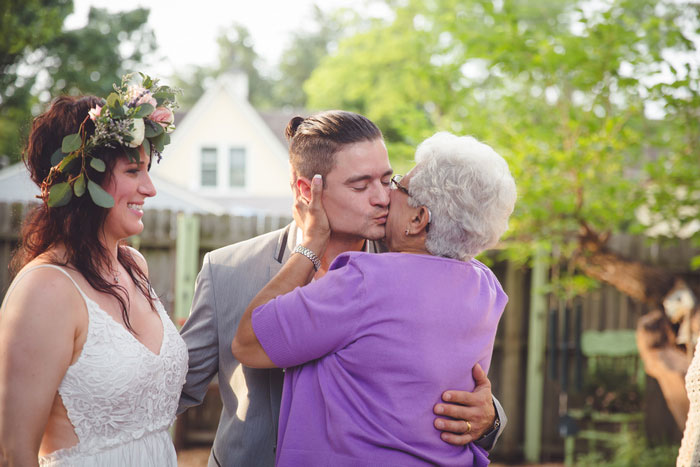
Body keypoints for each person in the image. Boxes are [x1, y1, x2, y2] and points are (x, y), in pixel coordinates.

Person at [178, 112, 507, 466]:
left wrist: (491, 417)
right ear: (307, 190)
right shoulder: (227, 271)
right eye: (361, 185)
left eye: (386, 179)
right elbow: (175, 391)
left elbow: (443, 378)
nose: (382, 197)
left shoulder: (416, 269)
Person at [0, 75, 187, 466]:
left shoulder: (135, 266)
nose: (150, 189)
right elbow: (14, 452)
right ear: (84, 179)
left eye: (147, 170)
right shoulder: (46, 290)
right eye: (134, 172)